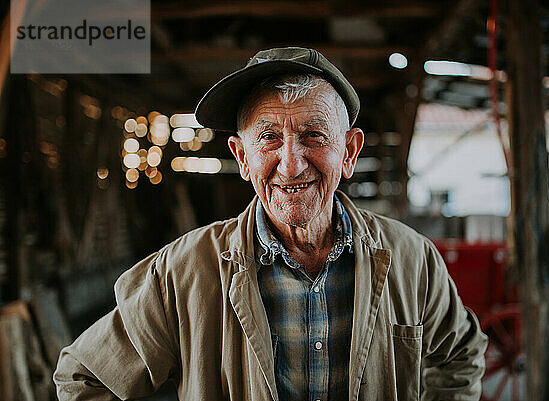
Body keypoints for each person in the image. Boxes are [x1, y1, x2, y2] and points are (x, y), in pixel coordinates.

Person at [54, 47, 487, 400]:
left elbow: (461, 354)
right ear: (242, 157)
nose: (291, 164)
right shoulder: (184, 271)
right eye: (269, 138)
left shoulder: (412, 258)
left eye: (314, 135)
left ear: (350, 152)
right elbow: (83, 377)